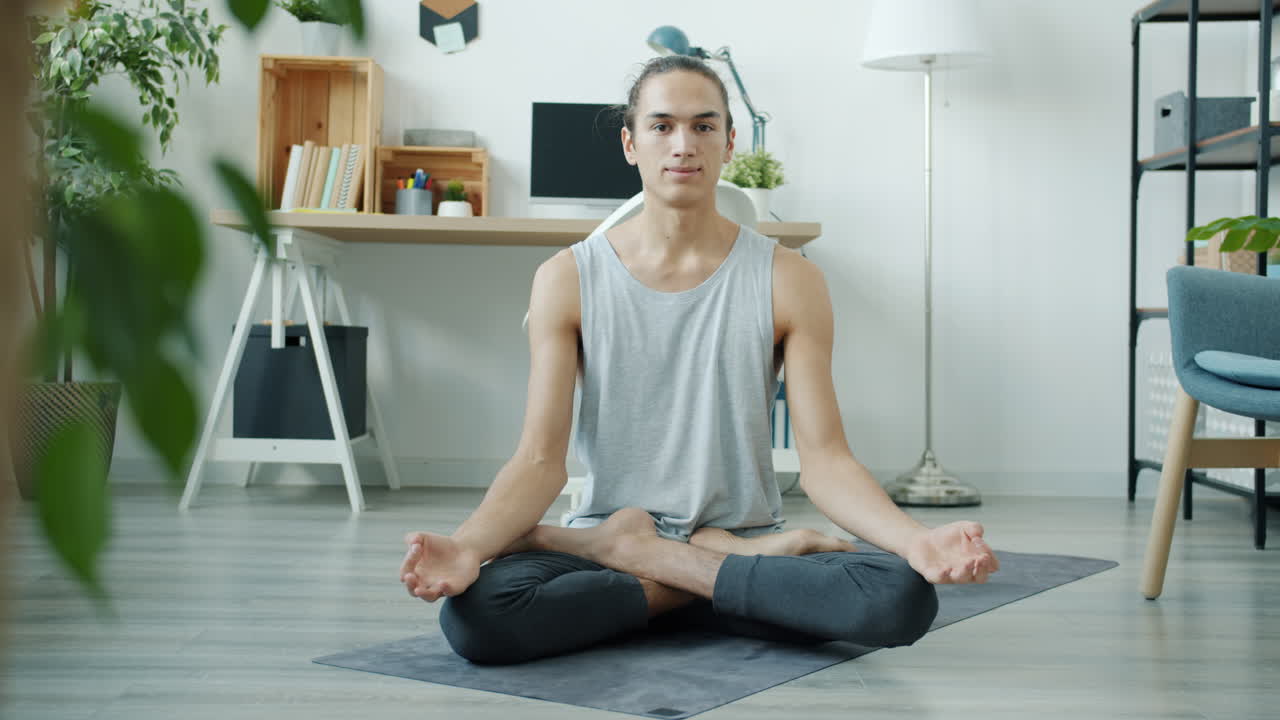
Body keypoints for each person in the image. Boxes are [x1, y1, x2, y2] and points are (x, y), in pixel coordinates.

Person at [399, 55, 999, 665]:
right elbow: (538, 460)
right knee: (479, 617)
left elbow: (826, 461)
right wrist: (469, 545)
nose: (683, 145)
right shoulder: (566, 278)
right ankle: (717, 576)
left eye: (704, 126)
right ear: (631, 144)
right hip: (634, 528)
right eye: (661, 126)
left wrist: (917, 541)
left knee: (899, 598)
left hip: (730, 535)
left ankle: (642, 559)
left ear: (729, 143)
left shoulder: (790, 279)